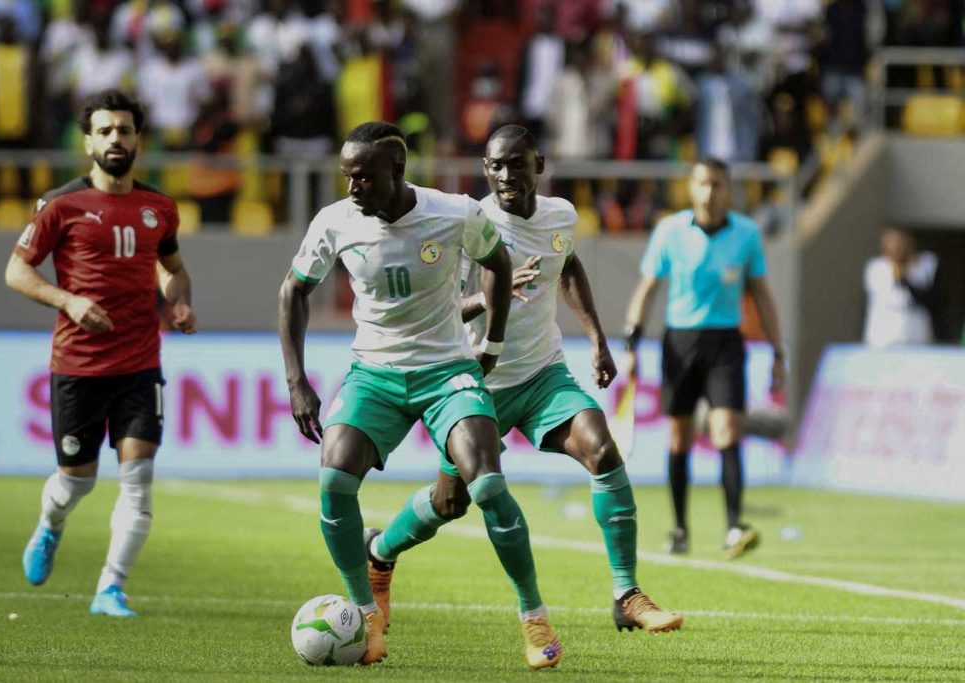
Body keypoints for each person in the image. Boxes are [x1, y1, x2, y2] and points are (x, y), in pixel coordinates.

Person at [364, 124, 682, 637]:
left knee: (603, 449)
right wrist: (494, 295)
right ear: (484, 171)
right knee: (451, 502)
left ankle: (627, 592)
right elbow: (437, 307)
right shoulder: (466, 223)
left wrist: (596, 337)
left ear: (539, 165)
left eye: (516, 163)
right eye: (495, 166)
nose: (506, 175)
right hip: (474, 384)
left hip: (541, 375)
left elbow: (568, 264)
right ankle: (379, 552)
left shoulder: (562, 215)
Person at [278, 121, 562, 669]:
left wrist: (493, 346)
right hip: (374, 373)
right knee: (334, 481)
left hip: (445, 371)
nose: (352, 187)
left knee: (488, 483)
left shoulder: (454, 212)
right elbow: (294, 290)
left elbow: (498, 264)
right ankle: (366, 616)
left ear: (398, 170)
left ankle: (533, 618)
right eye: (347, 177)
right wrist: (297, 381)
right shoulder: (335, 222)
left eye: (363, 177)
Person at [5, 89, 196, 616]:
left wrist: (178, 304)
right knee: (75, 482)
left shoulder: (160, 208)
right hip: (79, 366)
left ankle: (110, 588)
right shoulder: (60, 205)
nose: (116, 139)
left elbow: (173, 269)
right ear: (89, 141)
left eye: (125, 130)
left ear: (139, 139)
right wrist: (68, 299)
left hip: (140, 365)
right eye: (106, 130)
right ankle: (50, 524)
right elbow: (16, 270)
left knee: (138, 481)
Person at [620, 158, 785, 559]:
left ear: (729, 189)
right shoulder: (670, 231)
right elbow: (648, 289)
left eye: (718, 184)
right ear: (691, 188)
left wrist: (778, 352)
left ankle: (733, 527)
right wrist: (631, 343)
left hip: (726, 342)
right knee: (680, 437)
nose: (710, 192)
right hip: (680, 342)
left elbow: (761, 293)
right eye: (703, 184)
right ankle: (680, 528)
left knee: (727, 429)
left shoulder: (746, 235)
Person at [863, 228, 938, 347]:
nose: (897, 249)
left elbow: (927, 296)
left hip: (916, 335)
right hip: (884, 337)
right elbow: (888, 297)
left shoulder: (924, 265)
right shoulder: (877, 267)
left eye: (900, 244)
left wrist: (906, 276)